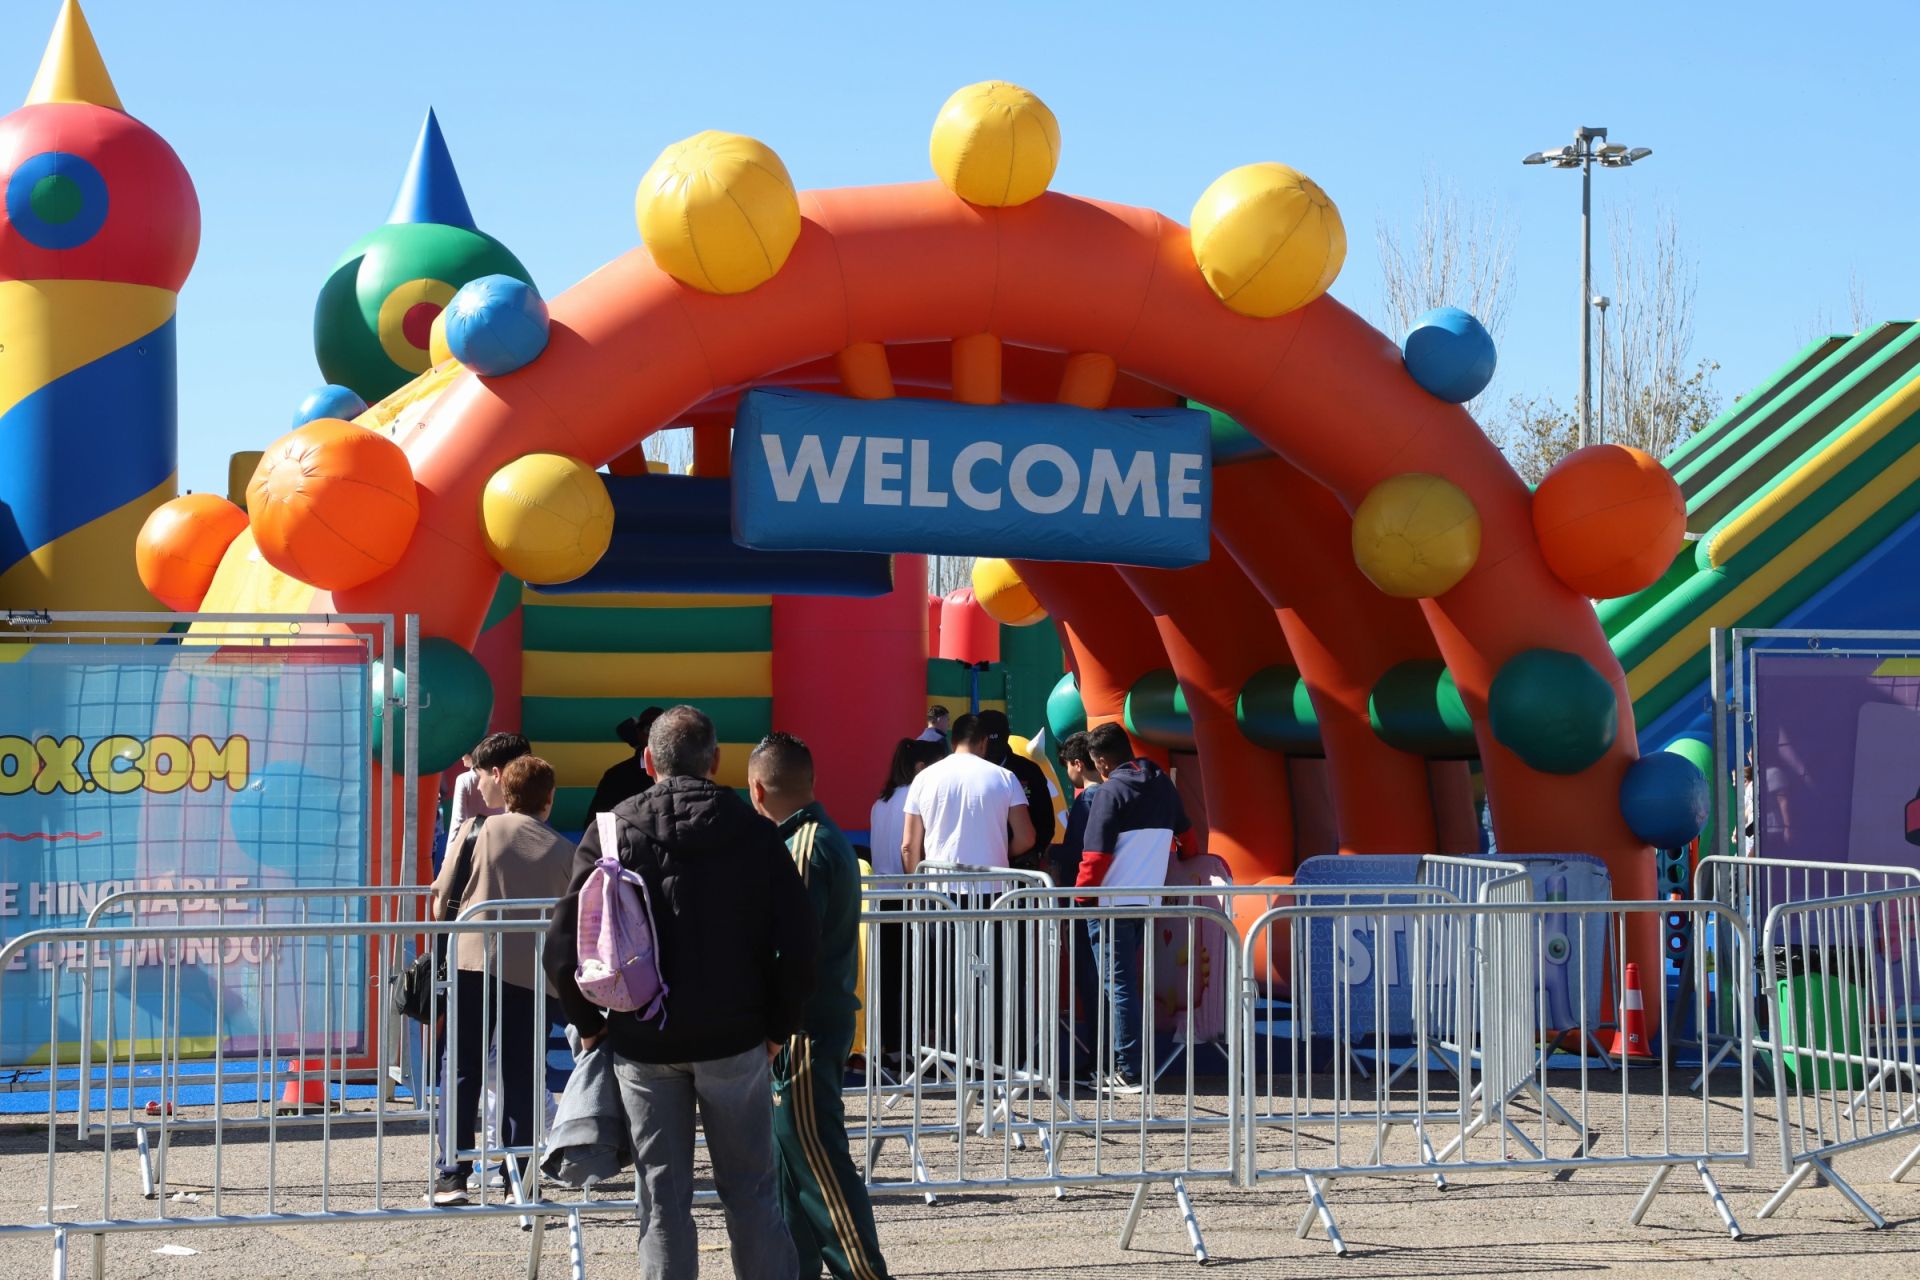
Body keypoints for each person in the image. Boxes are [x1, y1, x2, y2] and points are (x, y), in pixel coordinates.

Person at [544, 705, 816, 1280]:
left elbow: (561, 951)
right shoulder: (755, 831)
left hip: (644, 1038)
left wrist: (591, 1028)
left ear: (648, 761)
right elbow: (799, 941)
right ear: (716, 761)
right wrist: (777, 1027)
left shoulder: (612, 831)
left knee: (662, 1200)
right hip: (736, 1036)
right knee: (752, 1194)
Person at [749, 733, 893, 1280]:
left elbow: (792, 950)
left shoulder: (805, 846)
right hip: (805, 1023)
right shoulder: (814, 837)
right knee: (793, 1173)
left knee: (819, 1165)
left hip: (803, 1027)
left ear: (757, 790)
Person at [430, 755, 577, 1204]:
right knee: (522, 1072)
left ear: (505, 792)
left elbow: (440, 899)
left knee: (461, 1067)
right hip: (533, 972)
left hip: (472, 962)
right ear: (549, 799)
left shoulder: (477, 831)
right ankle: (521, 1178)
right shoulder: (565, 851)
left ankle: (452, 1174)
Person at [1074, 722, 1191, 1093]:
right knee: (1125, 985)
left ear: (1102, 762)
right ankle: (1126, 1066)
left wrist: (1080, 899)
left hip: (1109, 903)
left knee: (1118, 986)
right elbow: (1187, 836)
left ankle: (1129, 1070)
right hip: (1146, 900)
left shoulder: (1109, 792)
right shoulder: (1163, 785)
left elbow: (1094, 857)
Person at [867, 738, 940, 1065]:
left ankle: (887, 1045)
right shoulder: (915, 798)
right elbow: (909, 848)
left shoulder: (880, 802)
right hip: (907, 896)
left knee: (887, 977)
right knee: (913, 978)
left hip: (881, 897)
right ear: (919, 768)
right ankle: (911, 1048)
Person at [901, 713, 1036, 887]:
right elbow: (1026, 838)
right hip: (992, 888)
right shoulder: (1006, 778)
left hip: (938, 889)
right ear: (984, 742)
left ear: (953, 743)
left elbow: (908, 846)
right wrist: (1000, 853)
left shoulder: (923, 779)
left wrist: (915, 889)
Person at [974, 710, 1057, 865]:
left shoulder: (1028, 770)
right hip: (975, 861)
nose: (991, 748)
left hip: (1020, 862)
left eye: (997, 740)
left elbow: (1045, 820)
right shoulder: (967, 771)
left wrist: (1035, 851)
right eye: (988, 741)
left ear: (1007, 737)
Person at [587, 706, 666, 820]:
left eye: (662, 730)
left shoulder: (684, 773)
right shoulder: (616, 776)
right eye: (648, 728)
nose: (655, 736)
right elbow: (597, 822)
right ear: (638, 733)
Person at [447, 749, 503, 838]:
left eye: (464, 753)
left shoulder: (463, 779)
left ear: (473, 754)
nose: (462, 757)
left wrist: (452, 845)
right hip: (500, 835)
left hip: (475, 839)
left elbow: (458, 821)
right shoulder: (500, 776)